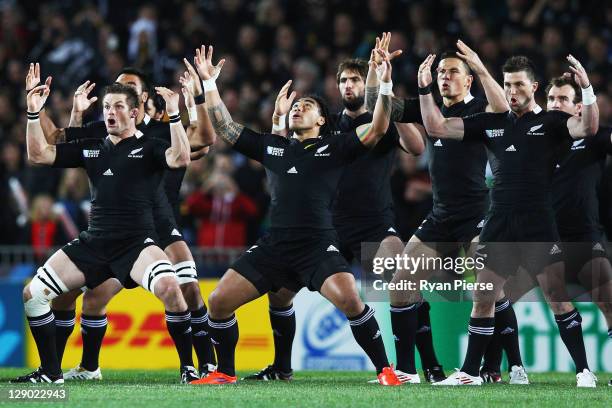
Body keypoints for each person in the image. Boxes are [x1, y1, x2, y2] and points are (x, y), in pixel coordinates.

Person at [190, 44, 400, 386]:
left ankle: (385, 370)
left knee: (350, 300)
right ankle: (225, 372)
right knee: (217, 302)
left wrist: (386, 86)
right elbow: (226, 128)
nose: (298, 108)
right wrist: (209, 84)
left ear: (321, 120)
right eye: (296, 106)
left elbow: (376, 129)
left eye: (307, 106)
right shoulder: (275, 148)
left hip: (317, 244)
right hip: (276, 245)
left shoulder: (335, 146)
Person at [244, 33, 426, 384]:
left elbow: (416, 146)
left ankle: (411, 367)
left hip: (375, 224)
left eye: (356, 79)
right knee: (279, 292)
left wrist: (386, 89)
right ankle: (282, 367)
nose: (348, 85)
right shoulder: (329, 127)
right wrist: (280, 121)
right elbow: (281, 157)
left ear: (367, 83)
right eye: (343, 80)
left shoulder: (381, 122)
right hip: (330, 227)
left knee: (403, 282)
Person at [22, 60, 217, 382]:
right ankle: (52, 372)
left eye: (118, 106)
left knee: (174, 288)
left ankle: (190, 368)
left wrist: (176, 113)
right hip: (95, 241)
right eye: (107, 106)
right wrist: (33, 112)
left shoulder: (152, 145)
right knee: (34, 295)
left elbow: (183, 157)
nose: (110, 112)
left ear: (136, 111)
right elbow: (39, 154)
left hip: (139, 240)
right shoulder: (92, 148)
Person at [418, 53, 599, 387]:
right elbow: (436, 127)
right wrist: (424, 89)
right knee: (483, 296)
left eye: (518, 84)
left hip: (537, 224)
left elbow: (587, 126)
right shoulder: (492, 123)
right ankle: (470, 373)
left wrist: (586, 89)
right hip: (498, 222)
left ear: (533, 87)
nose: (512, 91)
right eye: (507, 85)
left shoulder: (552, 123)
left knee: (556, 297)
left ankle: (584, 370)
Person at [365, 37, 525, 384]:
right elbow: (379, 111)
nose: (444, 77)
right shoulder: (430, 108)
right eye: (440, 72)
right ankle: (406, 370)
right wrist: (379, 77)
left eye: (452, 72)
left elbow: (504, 110)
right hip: (441, 216)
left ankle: (508, 366)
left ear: (468, 81)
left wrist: (480, 65)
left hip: (479, 215)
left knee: (489, 291)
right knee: (400, 285)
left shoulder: (480, 109)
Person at [482, 75, 612, 386]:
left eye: (563, 99)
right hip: (537, 235)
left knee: (608, 298)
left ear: (578, 107)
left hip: (581, 237)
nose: (555, 104)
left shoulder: (591, 137)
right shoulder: (536, 136)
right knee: (497, 296)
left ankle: (585, 371)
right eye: (551, 99)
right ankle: (506, 367)